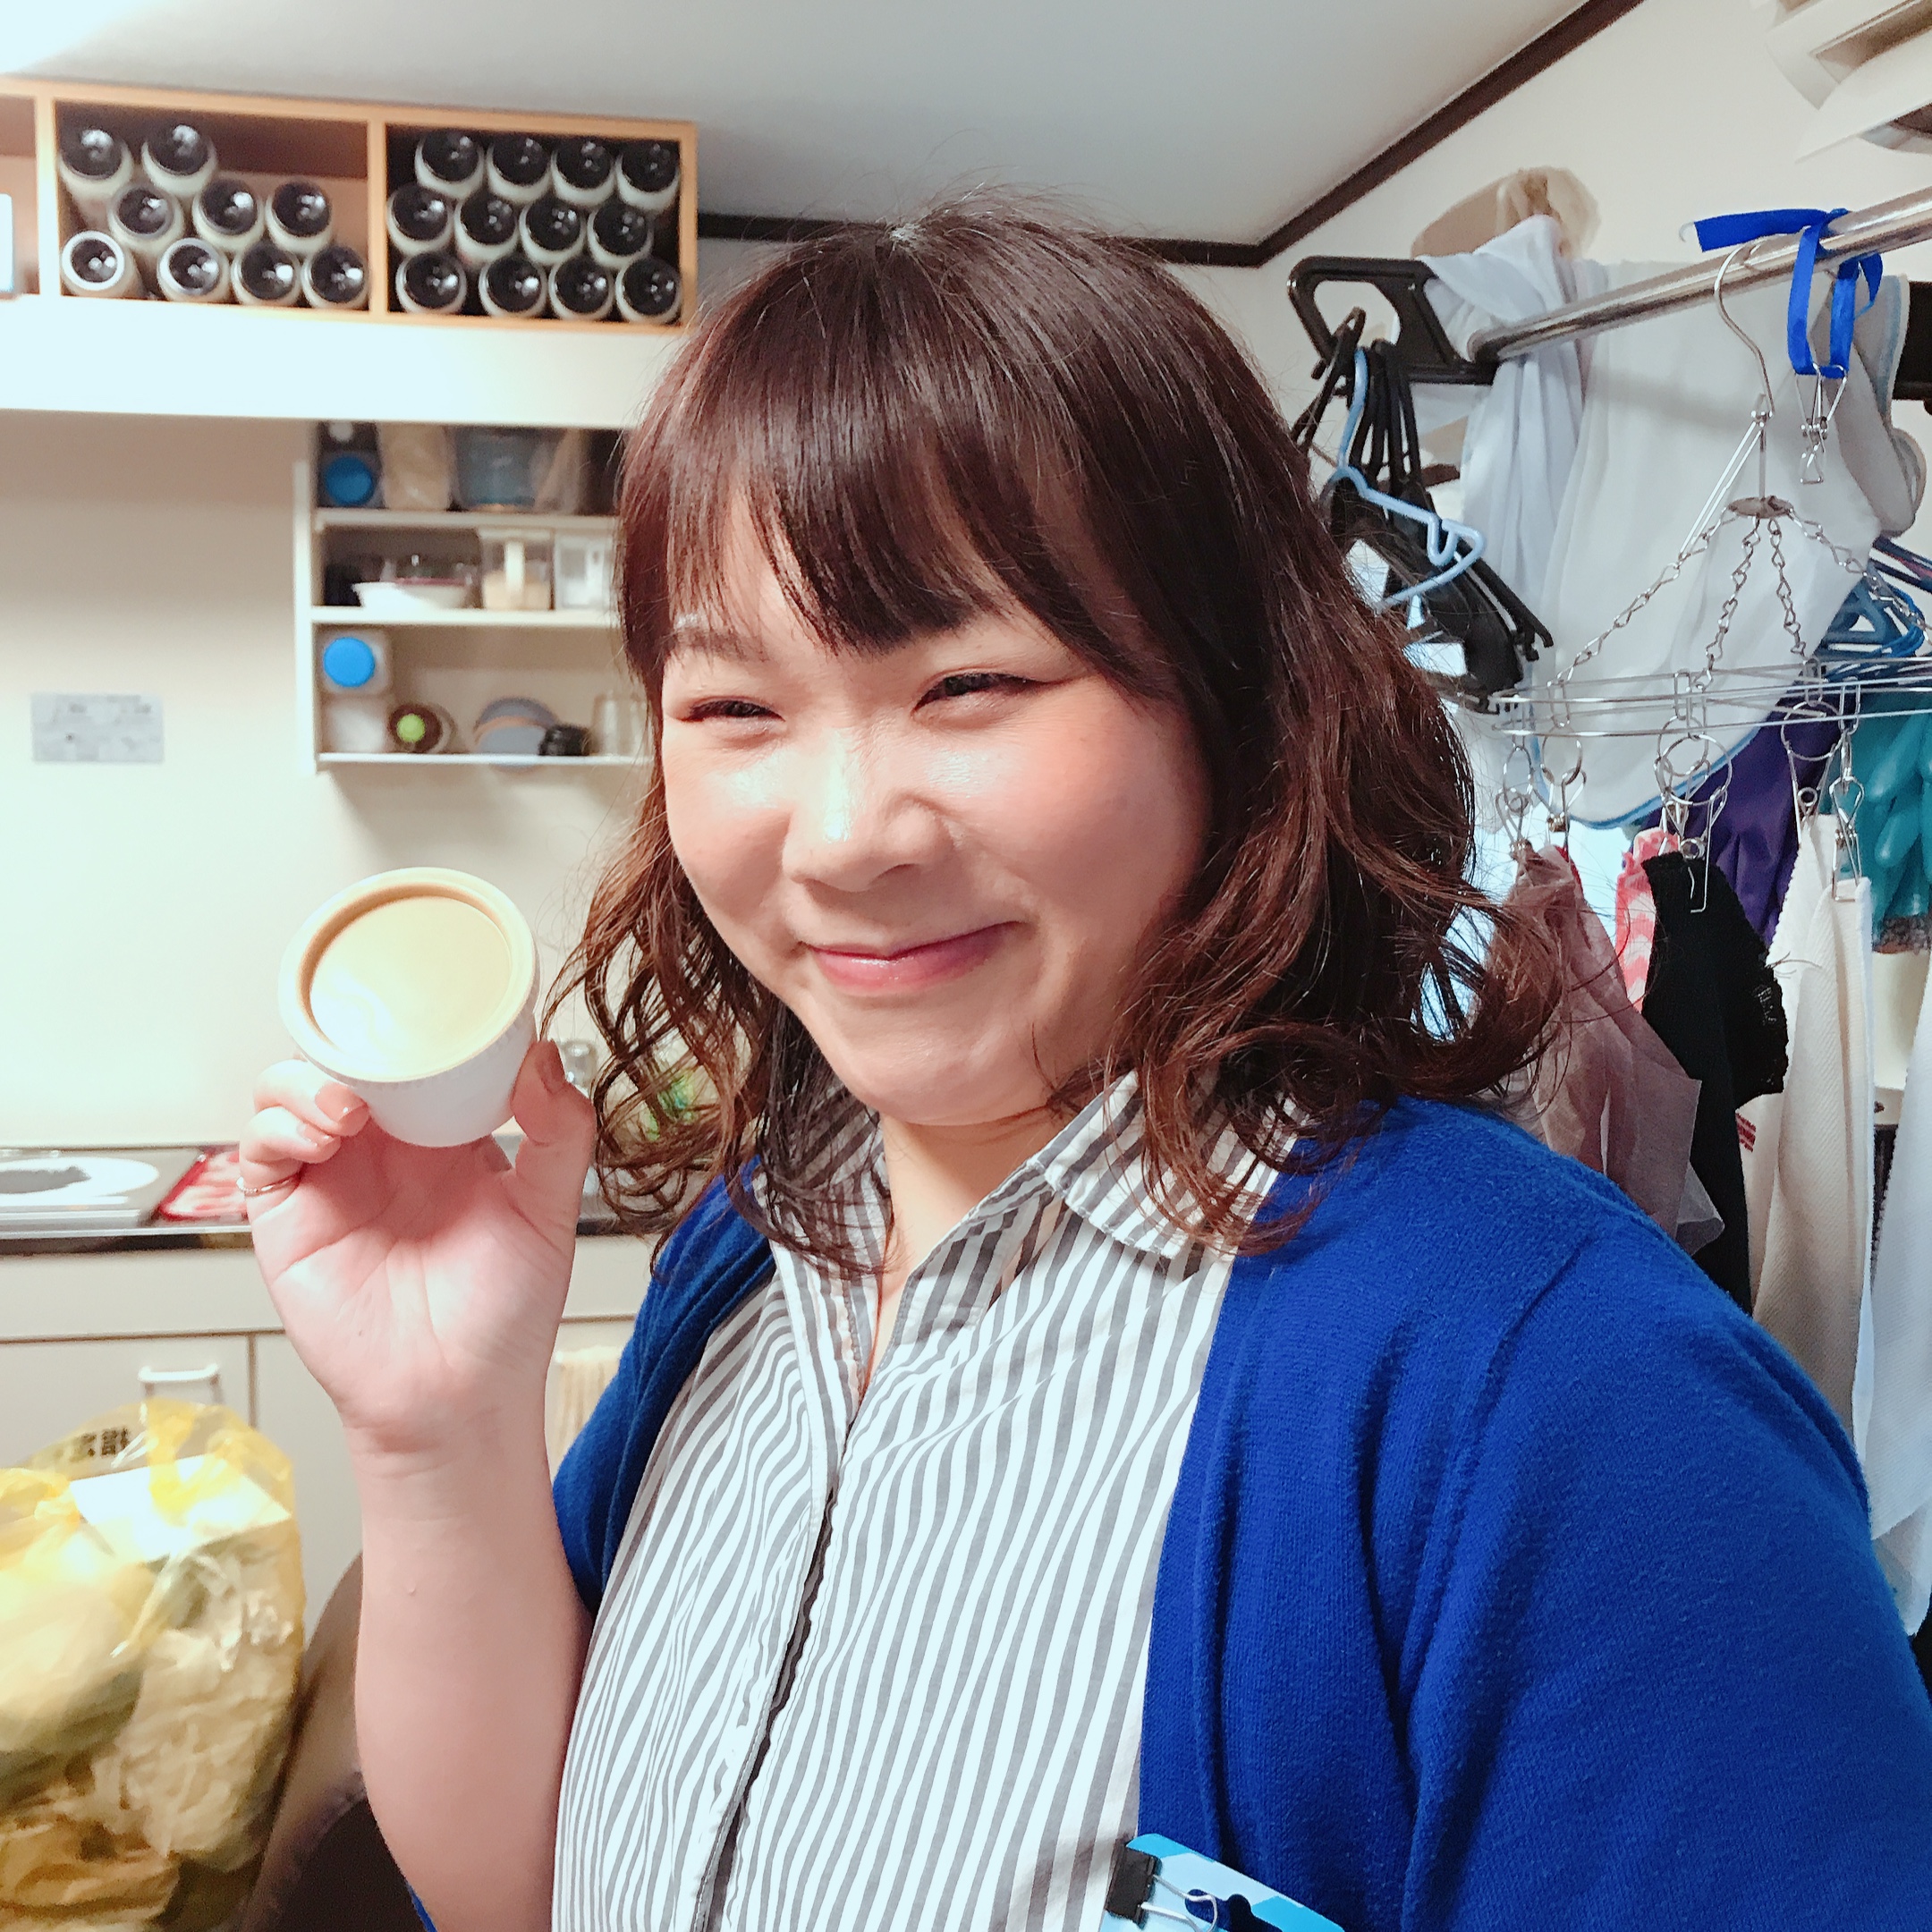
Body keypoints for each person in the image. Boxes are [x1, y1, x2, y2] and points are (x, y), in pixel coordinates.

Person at [242, 201, 1932, 1932]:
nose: (842, 837)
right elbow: (524, 1886)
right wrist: (439, 1430)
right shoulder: (754, 1252)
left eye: (971, 682)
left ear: (1242, 704)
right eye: (736, 708)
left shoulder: (1574, 1401)